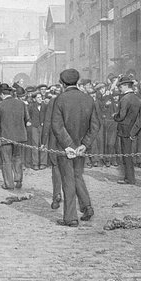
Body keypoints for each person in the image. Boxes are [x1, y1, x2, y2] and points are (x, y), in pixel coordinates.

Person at [51, 69, 100, 226]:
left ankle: (71, 218)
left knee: (68, 180)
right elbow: (95, 126)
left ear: (62, 83)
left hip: (66, 149)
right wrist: (84, 145)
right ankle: (87, 207)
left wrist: (68, 146)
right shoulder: (88, 99)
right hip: (80, 148)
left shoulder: (60, 99)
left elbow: (57, 126)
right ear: (77, 82)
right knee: (78, 176)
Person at [0, 83, 30, 190]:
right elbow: (27, 119)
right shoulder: (21, 104)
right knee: (17, 158)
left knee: (6, 160)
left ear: (1, 94)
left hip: (5, 137)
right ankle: (18, 180)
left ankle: (9, 184)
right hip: (19, 137)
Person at [113, 76, 141, 185]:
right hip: (135, 129)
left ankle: (129, 178)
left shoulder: (124, 99)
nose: (119, 88)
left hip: (125, 130)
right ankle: (130, 177)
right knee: (131, 154)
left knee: (126, 155)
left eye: (120, 86)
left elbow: (121, 115)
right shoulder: (137, 98)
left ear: (125, 86)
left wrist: (115, 116)